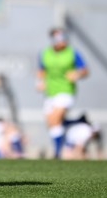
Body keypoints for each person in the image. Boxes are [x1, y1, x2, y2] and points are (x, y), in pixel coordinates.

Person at [36, 27, 88, 159]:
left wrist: (76, 74)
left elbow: (84, 70)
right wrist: (40, 81)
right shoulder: (45, 53)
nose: (62, 41)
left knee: (55, 119)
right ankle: (77, 122)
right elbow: (41, 70)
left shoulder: (72, 53)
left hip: (66, 90)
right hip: (50, 92)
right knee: (51, 122)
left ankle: (58, 152)